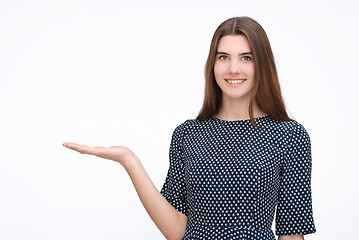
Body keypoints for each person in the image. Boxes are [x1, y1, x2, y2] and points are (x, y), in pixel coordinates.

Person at [63, 16, 316, 240]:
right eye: (223, 57)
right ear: (212, 64)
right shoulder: (187, 134)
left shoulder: (289, 136)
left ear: (262, 64)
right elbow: (175, 230)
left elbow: (291, 232)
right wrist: (129, 161)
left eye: (246, 57)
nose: (233, 68)